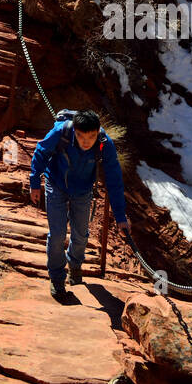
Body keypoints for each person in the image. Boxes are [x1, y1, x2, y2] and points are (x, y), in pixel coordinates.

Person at [29, 109, 129, 300]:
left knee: (81, 234)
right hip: (56, 184)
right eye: (81, 135)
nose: (86, 141)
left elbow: (114, 180)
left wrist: (120, 216)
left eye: (91, 136)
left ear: (98, 131)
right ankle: (57, 279)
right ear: (74, 130)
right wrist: (35, 183)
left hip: (83, 190)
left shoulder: (104, 144)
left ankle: (74, 264)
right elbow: (41, 152)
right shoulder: (61, 132)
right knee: (57, 234)